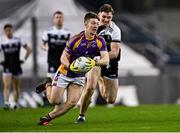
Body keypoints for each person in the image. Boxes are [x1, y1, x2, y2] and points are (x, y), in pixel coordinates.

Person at [35, 12, 109, 125]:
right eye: (93, 23)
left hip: (79, 76)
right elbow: (63, 57)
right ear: (86, 24)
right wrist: (70, 66)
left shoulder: (100, 41)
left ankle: (47, 118)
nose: (96, 26)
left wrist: (95, 62)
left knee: (72, 102)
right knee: (54, 101)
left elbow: (106, 59)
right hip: (65, 72)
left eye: (97, 23)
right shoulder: (75, 39)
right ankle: (47, 84)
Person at [76, 4, 122, 123]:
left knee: (110, 99)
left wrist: (103, 58)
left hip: (110, 63)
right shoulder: (92, 26)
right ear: (99, 14)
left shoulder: (115, 30)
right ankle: (81, 115)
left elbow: (115, 53)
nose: (106, 20)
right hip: (95, 61)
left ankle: (101, 79)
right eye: (104, 17)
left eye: (109, 17)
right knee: (90, 87)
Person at [0, 24, 32, 110]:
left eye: (10, 30)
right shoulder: (2, 42)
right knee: (6, 86)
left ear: (12, 30)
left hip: (16, 66)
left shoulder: (18, 40)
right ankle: (6, 103)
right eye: (6, 31)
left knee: (16, 87)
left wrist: (24, 60)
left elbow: (29, 49)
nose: (8, 32)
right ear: (4, 31)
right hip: (7, 66)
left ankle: (14, 103)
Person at [38, 10, 72, 81]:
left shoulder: (68, 33)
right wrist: (46, 48)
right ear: (54, 19)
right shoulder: (48, 31)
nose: (59, 19)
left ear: (63, 19)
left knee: (63, 79)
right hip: (52, 60)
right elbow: (42, 44)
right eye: (57, 17)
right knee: (52, 80)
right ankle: (48, 90)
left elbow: (72, 46)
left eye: (60, 17)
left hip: (64, 60)